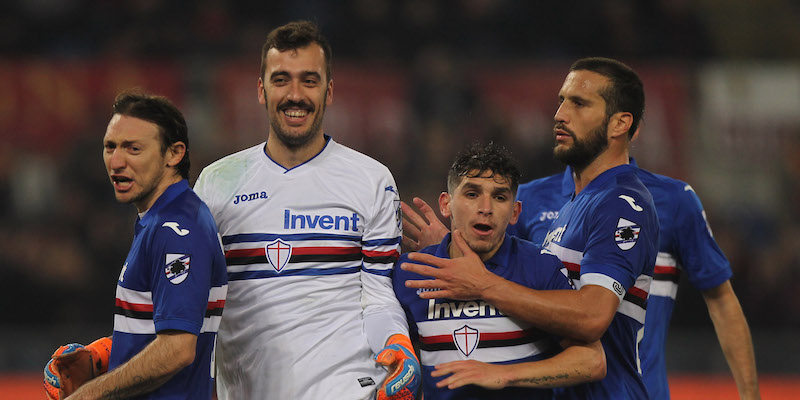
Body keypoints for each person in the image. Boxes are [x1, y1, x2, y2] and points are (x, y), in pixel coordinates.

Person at [401, 57, 659, 399]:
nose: (560, 114)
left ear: (619, 124)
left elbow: (593, 317)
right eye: (561, 101)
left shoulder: (621, 204)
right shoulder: (578, 201)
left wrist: (482, 284)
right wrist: (452, 244)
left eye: (579, 103)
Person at [193, 20, 420, 400]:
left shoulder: (371, 180)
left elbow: (377, 294)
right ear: (261, 90)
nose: (295, 95)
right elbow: (196, 301)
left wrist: (398, 343)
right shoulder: (216, 184)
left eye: (309, 81)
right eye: (281, 79)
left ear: (329, 92)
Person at [506, 157, 761, 399]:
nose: (562, 116)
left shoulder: (673, 201)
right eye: (563, 107)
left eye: (581, 107)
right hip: (555, 392)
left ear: (627, 124)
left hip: (639, 391)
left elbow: (721, 300)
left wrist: (750, 397)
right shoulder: (528, 200)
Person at [44, 89, 229, 399]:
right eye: (110, 147)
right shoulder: (161, 220)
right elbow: (160, 332)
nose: (117, 161)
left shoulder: (177, 230)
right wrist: (103, 355)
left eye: (133, 148)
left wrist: (91, 393)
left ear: (174, 153)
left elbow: (177, 348)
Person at [394, 142, 606, 399]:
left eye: (500, 196)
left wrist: (506, 374)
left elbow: (592, 361)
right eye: (472, 194)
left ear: (515, 212)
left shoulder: (540, 267)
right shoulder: (411, 274)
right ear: (446, 204)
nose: (486, 207)